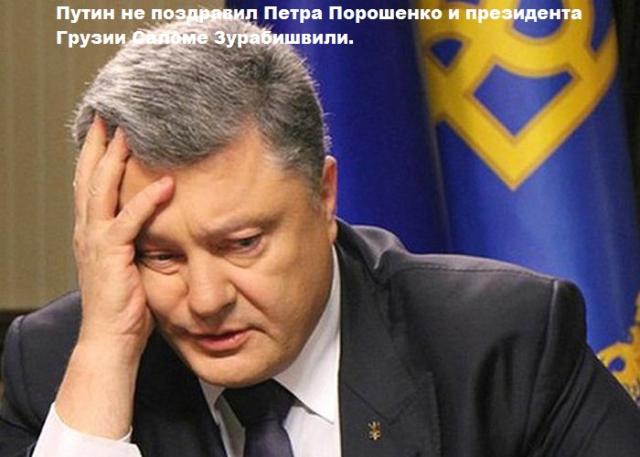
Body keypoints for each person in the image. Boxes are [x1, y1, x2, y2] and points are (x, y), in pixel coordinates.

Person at [2, 17, 640, 457]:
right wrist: (106, 353)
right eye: (159, 255)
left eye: (243, 243)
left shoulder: (498, 344)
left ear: (325, 195)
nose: (205, 299)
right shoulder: (58, 365)